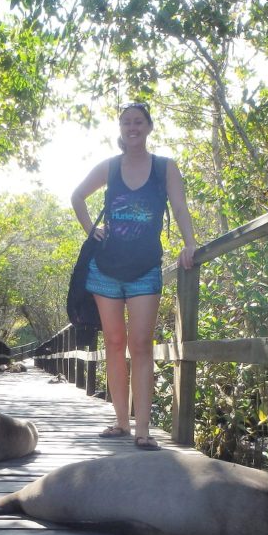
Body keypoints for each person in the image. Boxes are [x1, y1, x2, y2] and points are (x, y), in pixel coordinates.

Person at [71, 102, 197, 450]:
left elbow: (180, 207)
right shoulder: (110, 168)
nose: (133, 127)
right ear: (121, 128)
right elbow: (77, 196)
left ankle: (143, 430)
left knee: (141, 345)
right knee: (113, 343)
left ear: (149, 126)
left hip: (145, 268)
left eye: (138, 121)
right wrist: (89, 230)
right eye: (127, 122)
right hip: (105, 269)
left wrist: (190, 243)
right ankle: (121, 423)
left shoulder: (164, 168)